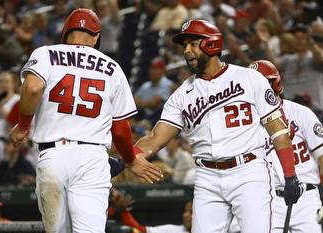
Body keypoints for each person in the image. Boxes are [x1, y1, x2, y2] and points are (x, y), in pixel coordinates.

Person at [133, 19, 304, 233]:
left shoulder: (249, 78)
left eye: (193, 44)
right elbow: (154, 139)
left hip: (249, 172)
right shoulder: (180, 96)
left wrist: (290, 175)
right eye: (184, 46)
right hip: (207, 177)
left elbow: (278, 130)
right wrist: (126, 157)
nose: (186, 51)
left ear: (211, 44)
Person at [10, 8, 162, 233]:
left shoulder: (46, 53)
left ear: (65, 33)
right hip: (93, 160)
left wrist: (23, 126)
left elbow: (32, 88)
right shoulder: (113, 68)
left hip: (53, 155)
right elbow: (120, 130)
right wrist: (130, 159)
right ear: (97, 36)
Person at [248, 60, 323, 233]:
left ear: (275, 83)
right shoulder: (247, 124)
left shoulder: (300, 113)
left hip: (306, 198)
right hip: (269, 200)